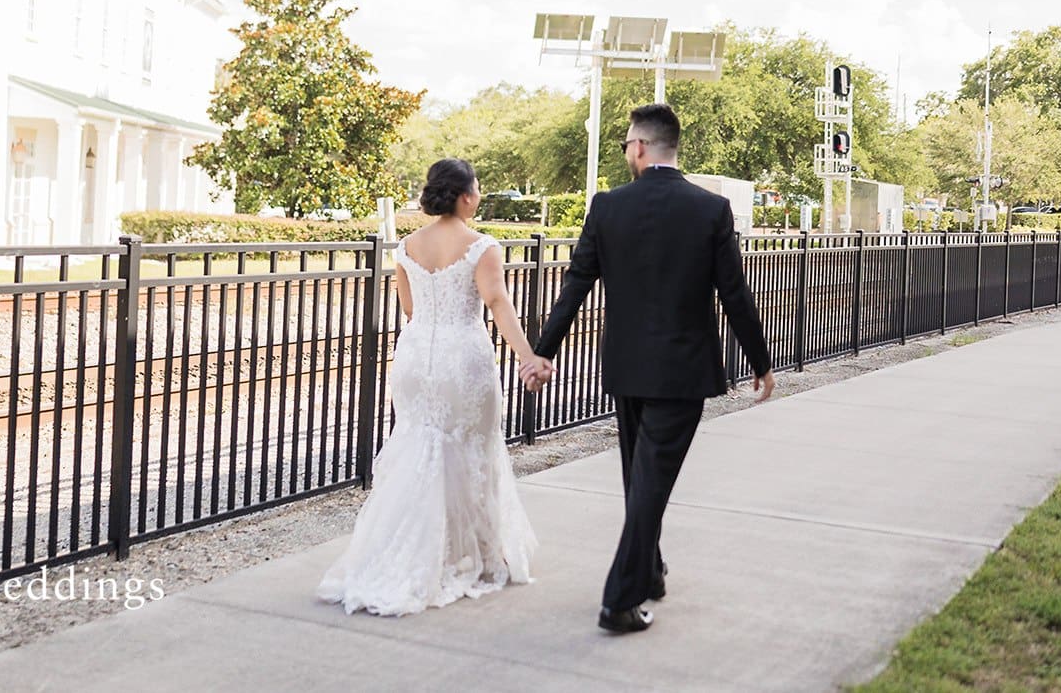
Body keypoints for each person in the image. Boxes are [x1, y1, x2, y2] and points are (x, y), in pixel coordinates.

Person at [526, 103, 775, 634]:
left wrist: (544, 350)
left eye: (625, 145)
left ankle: (651, 569)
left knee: (640, 479)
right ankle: (620, 599)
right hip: (683, 371)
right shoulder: (711, 209)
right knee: (649, 482)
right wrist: (760, 361)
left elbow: (576, 283)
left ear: (639, 147)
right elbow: (734, 292)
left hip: (626, 368)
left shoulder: (607, 206)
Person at [316, 158, 554, 615]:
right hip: (462, 358)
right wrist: (528, 357)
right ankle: (475, 554)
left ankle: (407, 554)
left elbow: (409, 308)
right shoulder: (482, 246)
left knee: (418, 448)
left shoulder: (406, 246)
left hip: (414, 358)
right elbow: (498, 303)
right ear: (465, 196)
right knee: (473, 450)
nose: (478, 195)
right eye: (477, 188)